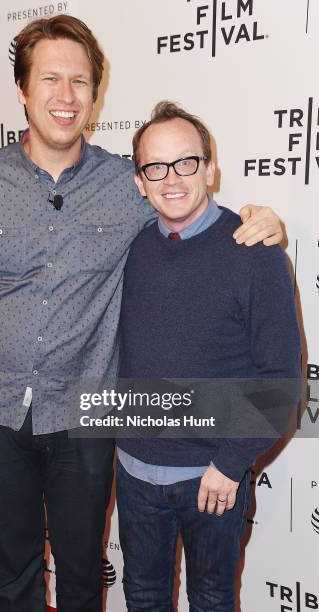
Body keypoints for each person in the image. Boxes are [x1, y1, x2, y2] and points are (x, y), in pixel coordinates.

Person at [0, 15, 283, 612]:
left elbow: (188, 205)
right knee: (12, 573)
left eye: (81, 82)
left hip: (85, 418)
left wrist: (260, 218)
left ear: (96, 94)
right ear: (22, 90)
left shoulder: (128, 183)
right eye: (50, 79)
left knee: (84, 573)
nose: (66, 97)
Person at [116, 101, 301, 612]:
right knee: (143, 597)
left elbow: (280, 379)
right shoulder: (131, 252)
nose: (171, 178)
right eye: (156, 167)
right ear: (140, 182)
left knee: (213, 600)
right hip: (134, 475)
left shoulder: (256, 254)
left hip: (214, 478)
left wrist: (230, 463)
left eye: (186, 162)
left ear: (211, 169)